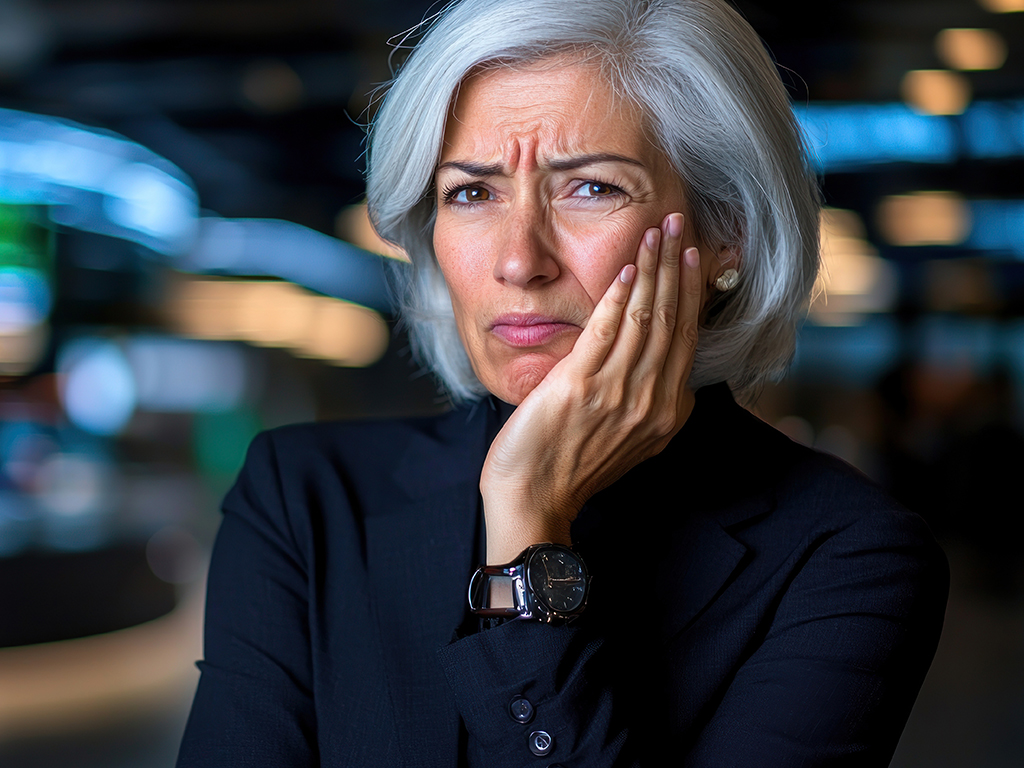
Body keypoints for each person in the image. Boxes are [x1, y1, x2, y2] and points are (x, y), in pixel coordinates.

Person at [177, 0, 948, 765]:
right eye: (471, 193)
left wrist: (527, 521)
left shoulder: (849, 555)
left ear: (726, 233)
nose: (519, 260)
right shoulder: (302, 500)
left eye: (590, 188)